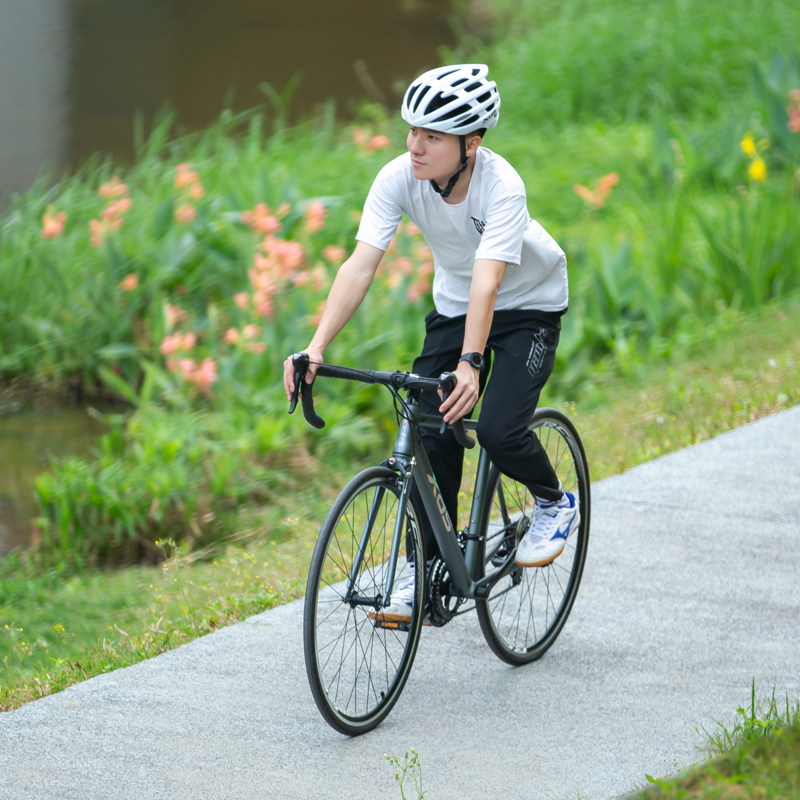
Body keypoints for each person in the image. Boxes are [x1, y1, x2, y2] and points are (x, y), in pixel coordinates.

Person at [283, 64, 579, 622]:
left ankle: (553, 500)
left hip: (529, 307)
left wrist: (472, 363)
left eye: (432, 136)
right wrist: (316, 345)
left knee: (495, 428)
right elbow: (361, 265)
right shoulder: (398, 178)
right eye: (412, 130)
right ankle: (426, 565)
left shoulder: (502, 186)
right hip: (455, 305)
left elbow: (489, 281)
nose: (415, 145)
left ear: (471, 143)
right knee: (429, 423)